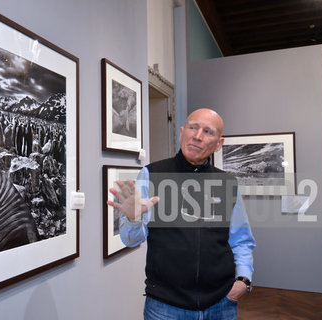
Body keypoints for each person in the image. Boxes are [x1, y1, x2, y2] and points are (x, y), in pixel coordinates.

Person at [108, 108, 256, 320]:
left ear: (219, 143)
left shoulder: (228, 183)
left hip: (221, 304)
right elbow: (131, 240)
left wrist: (243, 280)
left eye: (208, 132)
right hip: (165, 307)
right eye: (193, 128)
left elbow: (241, 240)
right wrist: (133, 218)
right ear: (181, 132)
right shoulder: (152, 175)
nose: (197, 136)